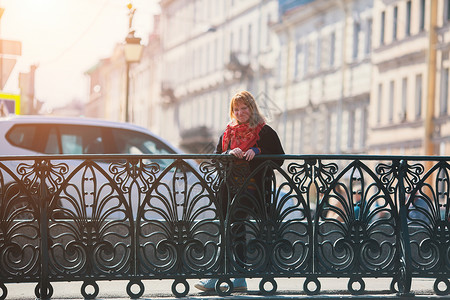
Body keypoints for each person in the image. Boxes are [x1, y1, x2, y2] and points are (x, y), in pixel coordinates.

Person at [195, 90, 284, 292]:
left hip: (254, 189)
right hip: (228, 189)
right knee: (230, 229)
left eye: (244, 108)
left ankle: (222, 276)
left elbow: (279, 158)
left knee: (234, 228)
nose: (240, 112)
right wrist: (228, 153)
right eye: (236, 109)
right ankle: (237, 278)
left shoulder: (264, 131)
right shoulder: (228, 133)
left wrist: (258, 151)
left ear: (252, 108)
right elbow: (217, 158)